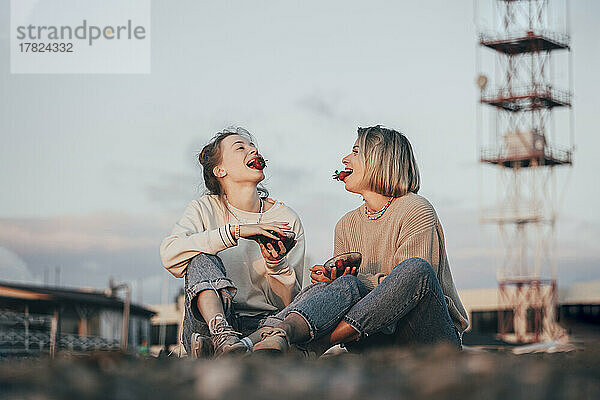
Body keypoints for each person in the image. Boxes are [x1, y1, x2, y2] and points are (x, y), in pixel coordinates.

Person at [251, 125, 469, 355]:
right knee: (335, 286)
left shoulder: (416, 209)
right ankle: (273, 334)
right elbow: (348, 288)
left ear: (380, 160)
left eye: (355, 152)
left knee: (416, 269)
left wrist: (356, 282)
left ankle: (317, 345)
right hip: (373, 336)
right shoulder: (345, 225)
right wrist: (332, 279)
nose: (345, 159)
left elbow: (411, 286)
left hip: (425, 333)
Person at [159, 127, 305, 358]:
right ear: (220, 170)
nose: (253, 149)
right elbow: (169, 254)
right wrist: (235, 232)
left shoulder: (285, 218)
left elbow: (291, 303)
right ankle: (222, 337)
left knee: (297, 308)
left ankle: (243, 346)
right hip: (207, 326)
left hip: (264, 326)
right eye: (241, 147)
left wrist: (277, 265)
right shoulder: (203, 209)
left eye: (252, 146)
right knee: (200, 256)